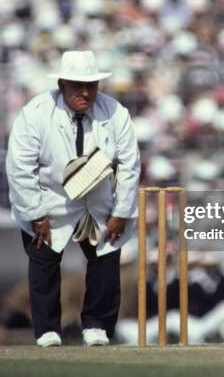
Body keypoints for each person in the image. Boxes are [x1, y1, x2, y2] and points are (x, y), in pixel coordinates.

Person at [6, 50, 140, 347]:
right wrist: (35, 214)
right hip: (51, 199)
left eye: (91, 85)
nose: (85, 92)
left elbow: (130, 165)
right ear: (62, 83)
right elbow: (19, 167)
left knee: (106, 257)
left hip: (99, 199)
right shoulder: (36, 113)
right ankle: (46, 330)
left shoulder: (115, 112)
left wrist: (122, 211)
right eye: (77, 85)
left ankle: (97, 326)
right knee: (43, 258)